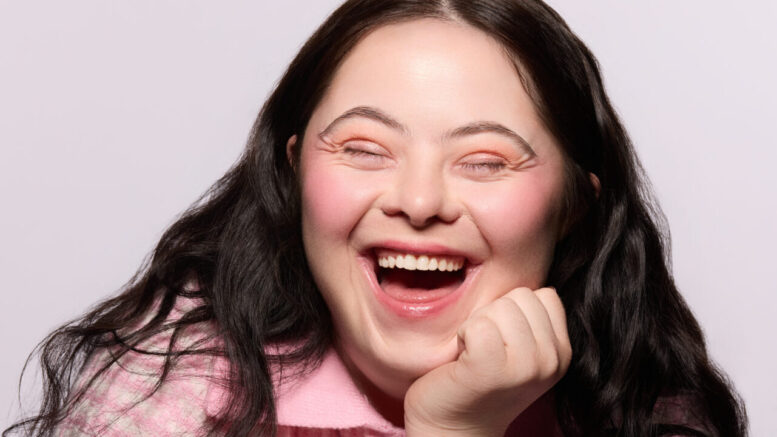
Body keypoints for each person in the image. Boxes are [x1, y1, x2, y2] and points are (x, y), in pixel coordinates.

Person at [5, 0, 748, 436]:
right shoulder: (163, 392)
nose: (419, 202)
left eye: (484, 160)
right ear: (294, 170)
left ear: (575, 205)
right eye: (363, 149)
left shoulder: (646, 404)